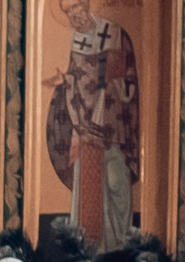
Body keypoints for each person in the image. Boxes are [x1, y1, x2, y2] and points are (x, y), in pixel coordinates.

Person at [45, 0, 140, 249]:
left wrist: (118, 85)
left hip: (113, 124)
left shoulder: (115, 34)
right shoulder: (77, 42)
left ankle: (121, 243)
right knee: (88, 186)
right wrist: (76, 122)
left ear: (86, 5)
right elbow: (75, 81)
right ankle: (91, 249)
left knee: (116, 182)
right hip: (86, 127)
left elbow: (127, 78)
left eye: (76, 8)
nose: (73, 15)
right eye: (68, 12)